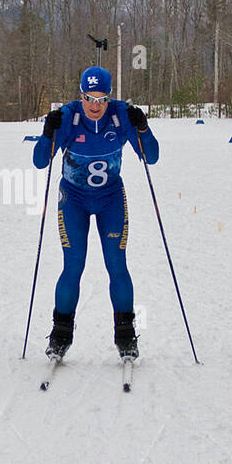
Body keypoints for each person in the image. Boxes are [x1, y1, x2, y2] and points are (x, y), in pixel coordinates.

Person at [33, 65, 157, 361]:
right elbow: (40, 161)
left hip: (110, 198)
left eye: (102, 99)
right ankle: (60, 335)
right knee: (73, 265)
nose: (95, 106)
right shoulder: (69, 116)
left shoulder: (120, 115)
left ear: (109, 97)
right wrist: (47, 133)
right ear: (81, 95)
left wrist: (143, 128)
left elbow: (151, 156)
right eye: (89, 98)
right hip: (73, 199)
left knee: (116, 264)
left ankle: (126, 336)